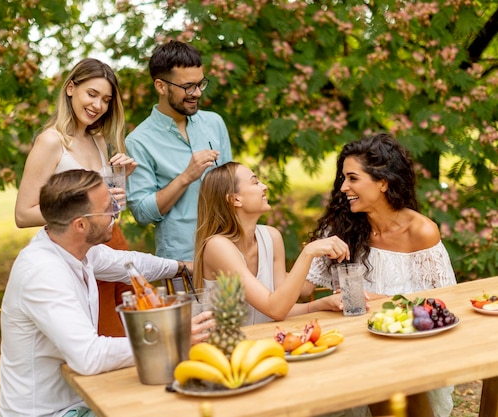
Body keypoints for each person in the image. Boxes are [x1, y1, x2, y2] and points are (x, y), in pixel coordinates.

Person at [0, 169, 214, 417]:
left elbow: (131, 264)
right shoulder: (43, 272)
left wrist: (184, 267)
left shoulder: (76, 248)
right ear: (80, 225)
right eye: (107, 207)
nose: (115, 212)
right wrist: (172, 340)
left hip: (84, 395)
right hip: (52, 412)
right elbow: (89, 357)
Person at [303, 133, 457, 417]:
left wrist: (383, 300)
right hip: (349, 349)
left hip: (407, 353)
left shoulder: (421, 232)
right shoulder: (341, 228)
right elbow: (300, 292)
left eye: (352, 178)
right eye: (343, 179)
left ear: (383, 183)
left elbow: (444, 307)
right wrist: (308, 253)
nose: (343, 187)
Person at [14, 58, 137, 337]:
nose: (98, 106)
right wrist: (81, 211)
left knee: (135, 329)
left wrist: (120, 183)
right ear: (71, 88)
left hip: (111, 243)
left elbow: (106, 210)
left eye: (105, 100)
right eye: (91, 94)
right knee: (104, 334)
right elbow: (23, 214)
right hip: (78, 252)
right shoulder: (51, 142)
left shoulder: (98, 140)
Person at [192, 161, 349, 325]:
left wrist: (321, 304)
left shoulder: (271, 237)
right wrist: (308, 252)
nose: (264, 186)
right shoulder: (217, 246)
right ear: (235, 199)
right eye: (255, 182)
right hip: (226, 348)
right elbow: (275, 309)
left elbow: (282, 307)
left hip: (265, 341)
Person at [125, 40, 232, 263]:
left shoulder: (214, 123)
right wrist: (186, 177)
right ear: (161, 86)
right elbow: (142, 213)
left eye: (200, 84)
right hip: (183, 262)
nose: (196, 93)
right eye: (187, 87)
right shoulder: (139, 141)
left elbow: (232, 187)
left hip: (231, 251)